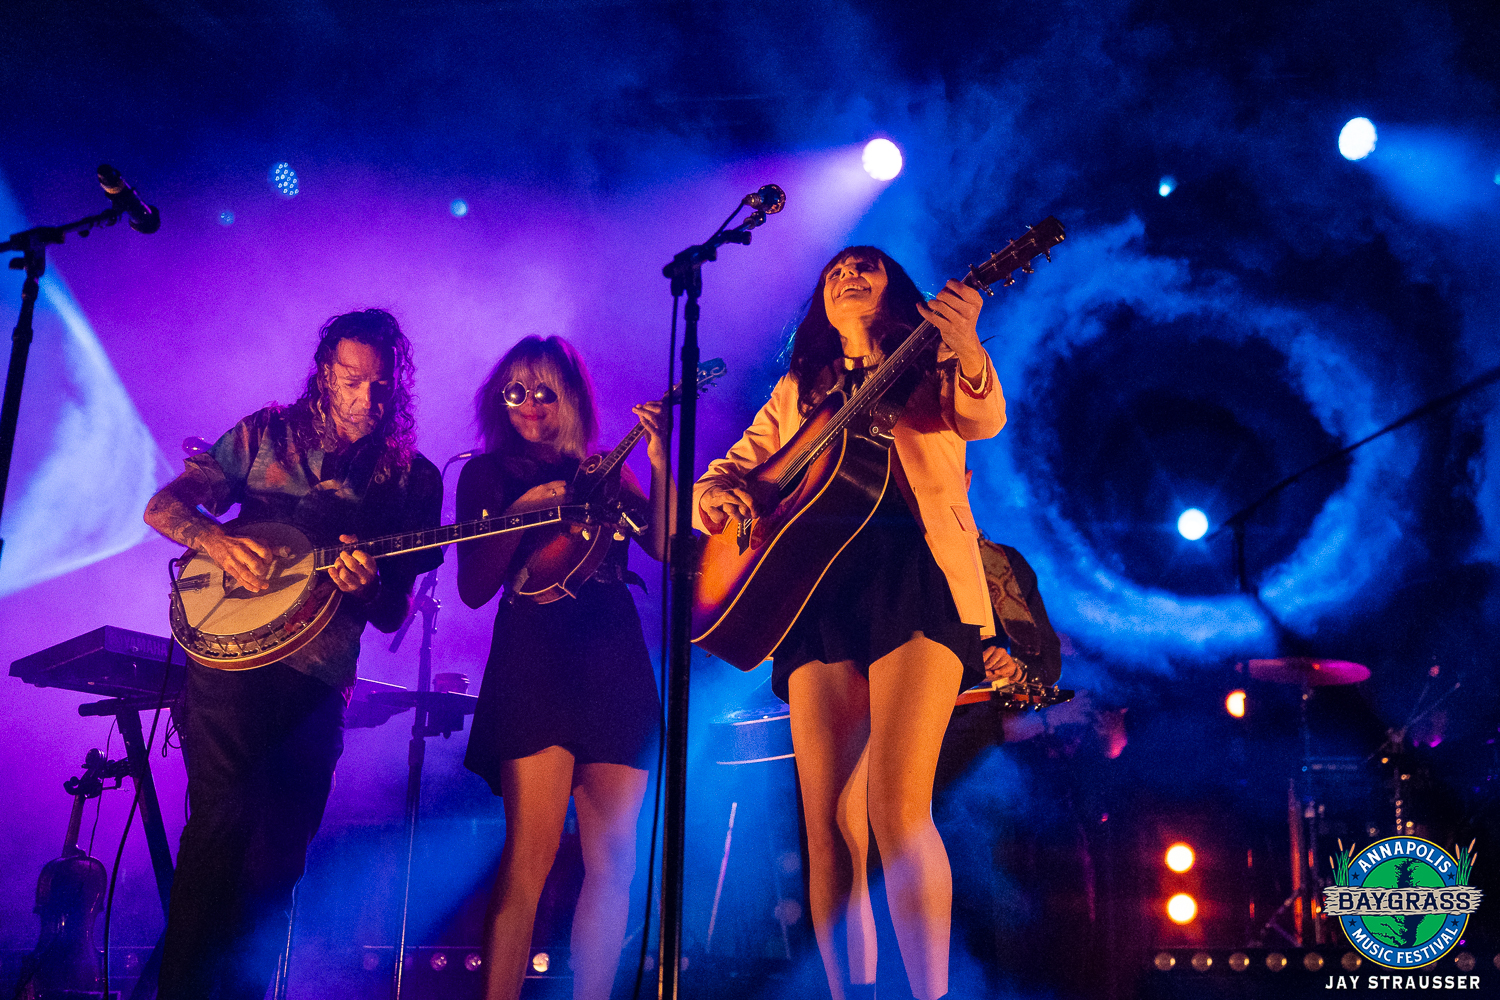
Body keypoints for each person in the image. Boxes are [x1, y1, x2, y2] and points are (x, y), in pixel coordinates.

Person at [694, 247, 1004, 1000]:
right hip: (816, 590)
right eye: (833, 271)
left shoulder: (930, 357)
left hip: (915, 573)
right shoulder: (801, 389)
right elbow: (730, 473)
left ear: (896, 287)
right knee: (829, 823)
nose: (847, 275)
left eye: (866, 266)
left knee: (895, 805)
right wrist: (717, 498)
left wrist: (965, 345)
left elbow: (983, 417)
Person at [142, 308, 443, 999]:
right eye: (351, 380)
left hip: (320, 677)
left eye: (381, 385)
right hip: (229, 664)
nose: (367, 398)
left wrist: (368, 587)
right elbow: (164, 507)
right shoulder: (265, 434)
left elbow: (394, 611)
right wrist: (216, 541)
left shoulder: (414, 480)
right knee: (217, 830)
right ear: (323, 375)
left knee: (279, 858)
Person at [456, 335, 668, 1000]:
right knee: (531, 855)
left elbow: (668, 548)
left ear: (573, 398)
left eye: (545, 390)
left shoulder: (603, 471)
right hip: (536, 654)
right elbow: (473, 588)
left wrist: (660, 463)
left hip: (613, 654)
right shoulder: (486, 474)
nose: (529, 404)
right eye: (515, 391)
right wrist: (519, 517)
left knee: (616, 863)